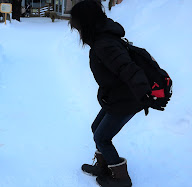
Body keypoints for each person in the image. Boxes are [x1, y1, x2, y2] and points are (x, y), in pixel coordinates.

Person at [69, 0, 166, 186]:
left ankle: (121, 178)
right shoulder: (101, 38)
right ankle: (104, 167)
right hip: (118, 96)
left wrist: (144, 93)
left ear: (86, 22)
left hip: (128, 99)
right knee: (96, 128)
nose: (76, 29)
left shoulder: (104, 44)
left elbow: (127, 67)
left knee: (102, 137)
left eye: (77, 25)